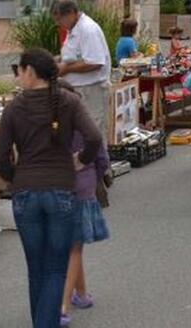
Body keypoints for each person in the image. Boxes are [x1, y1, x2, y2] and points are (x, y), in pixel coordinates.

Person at [0, 48, 103, 328]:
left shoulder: (14, 108)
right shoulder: (69, 101)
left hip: (25, 193)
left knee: (36, 269)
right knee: (55, 267)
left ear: (30, 71)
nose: (17, 75)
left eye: (19, 70)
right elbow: (93, 137)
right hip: (61, 190)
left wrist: (15, 179)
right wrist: (81, 160)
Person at [59, 81, 111, 327]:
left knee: (71, 243)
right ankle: (62, 305)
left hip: (54, 188)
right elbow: (101, 155)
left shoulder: (48, 125)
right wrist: (98, 177)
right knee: (74, 247)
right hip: (82, 187)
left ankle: (81, 294)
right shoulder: (84, 123)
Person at [51, 0, 112, 139]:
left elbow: (95, 62)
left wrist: (66, 69)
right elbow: (74, 54)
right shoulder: (74, 29)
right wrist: (58, 59)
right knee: (80, 133)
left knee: (93, 131)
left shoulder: (87, 29)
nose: (58, 23)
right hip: (79, 90)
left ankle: (97, 160)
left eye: (60, 19)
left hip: (91, 90)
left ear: (71, 13)